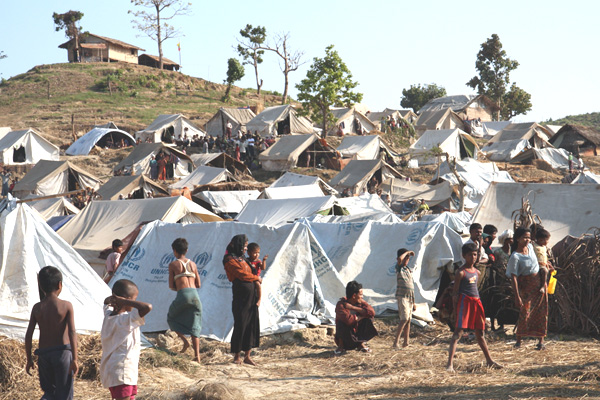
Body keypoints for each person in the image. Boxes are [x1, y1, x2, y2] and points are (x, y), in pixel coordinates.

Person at [446, 243, 502, 372]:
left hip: (476, 303)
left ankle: (489, 361)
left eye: (475, 254)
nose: (473, 257)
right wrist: (455, 310)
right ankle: (449, 364)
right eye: (470, 254)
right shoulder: (461, 272)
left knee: (480, 333)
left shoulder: (476, 272)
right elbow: (455, 293)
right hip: (464, 303)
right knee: (458, 333)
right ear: (464, 256)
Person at [25, 266, 78, 400]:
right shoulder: (66, 306)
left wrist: (29, 359)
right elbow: (72, 332)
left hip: (43, 355)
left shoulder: (37, 308)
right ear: (60, 285)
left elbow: (29, 335)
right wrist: (75, 359)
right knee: (64, 393)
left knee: (49, 392)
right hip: (62, 354)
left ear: (41, 286)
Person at [100, 279, 152, 400]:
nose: (134, 302)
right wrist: (124, 301)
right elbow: (147, 307)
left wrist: (116, 300)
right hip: (123, 371)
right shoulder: (126, 320)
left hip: (113, 371)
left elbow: (105, 302)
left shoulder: (108, 315)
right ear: (126, 299)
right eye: (133, 299)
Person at [506, 227, 548, 350]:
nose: (527, 240)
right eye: (525, 237)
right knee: (525, 312)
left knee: (541, 311)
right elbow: (513, 277)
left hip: (539, 284)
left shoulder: (530, 248)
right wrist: (517, 296)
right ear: (518, 239)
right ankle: (519, 341)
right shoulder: (515, 257)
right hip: (526, 287)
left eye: (529, 237)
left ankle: (541, 341)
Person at [223, 234, 261, 365]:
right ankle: (237, 356)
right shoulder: (229, 259)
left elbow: (253, 271)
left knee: (251, 324)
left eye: (246, 247)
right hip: (240, 296)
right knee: (241, 323)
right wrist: (256, 278)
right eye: (244, 246)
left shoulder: (243, 259)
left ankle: (247, 355)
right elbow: (242, 275)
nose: (245, 249)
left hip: (251, 296)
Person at [167, 238, 203, 362]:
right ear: (186, 250)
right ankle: (197, 356)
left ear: (174, 251)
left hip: (183, 294)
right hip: (195, 296)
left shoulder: (173, 265)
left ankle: (185, 341)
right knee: (195, 326)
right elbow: (198, 284)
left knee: (171, 318)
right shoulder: (193, 264)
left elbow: (171, 285)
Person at [334, 281, 378, 354]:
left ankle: (360, 344)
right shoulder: (341, 305)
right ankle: (341, 346)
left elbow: (372, 312)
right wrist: (362, 316)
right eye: (361, 295)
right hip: (347, 338)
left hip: (356, 335)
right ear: (354, 295)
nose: (362, 297)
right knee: (341, 322)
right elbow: (349, 321)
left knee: (368, 319)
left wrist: (353, 308)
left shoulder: (360, 302)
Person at [393, 249, 416, 348]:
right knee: (404, 318)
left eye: (408, 258)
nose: (407, 259)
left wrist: (414, 302)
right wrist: (408, 252)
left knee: (408, 320)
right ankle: (396, 342)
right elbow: (399, 259)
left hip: (409, 297)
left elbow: (411, 287)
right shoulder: (399, 268)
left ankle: (406, 342)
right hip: (402, 296)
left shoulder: (408, 269)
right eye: (406, 257)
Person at [247, 242, 268, 308]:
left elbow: (263, 268)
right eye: (255, 253)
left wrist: (264, 260)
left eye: (258, 253)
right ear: (249, 253)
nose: (257, 255)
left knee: (257, 284)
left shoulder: (258, 261)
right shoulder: (247, 260)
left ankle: (259, 299)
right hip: (248, 277)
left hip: (255, 278)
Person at [533, 228, 553, 294]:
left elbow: (544, 257)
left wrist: (548, 263)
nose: (547, 241)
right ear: (540, 239)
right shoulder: (534, 246)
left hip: (544, 264)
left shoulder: (544, 247)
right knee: (544, 271)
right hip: (537, 265)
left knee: (551, 271)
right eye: (546, 240)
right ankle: (543, 286)